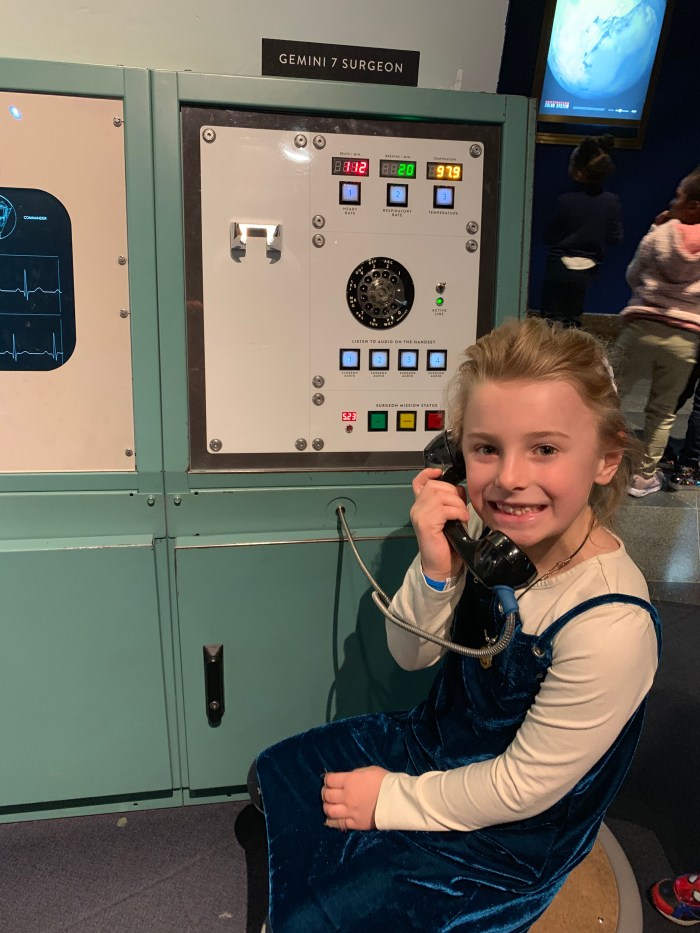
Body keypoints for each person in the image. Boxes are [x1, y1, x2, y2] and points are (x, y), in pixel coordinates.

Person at [253, 317, 660, 933]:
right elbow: (411, 655)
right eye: (486, 448)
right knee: (277, 774)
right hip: (436, 743)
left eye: (545, 449)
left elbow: (522, 787)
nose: (509, 478)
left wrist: (388, 800)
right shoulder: (482, 529)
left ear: (606, 458)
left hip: (513, 832)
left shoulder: (611, 624)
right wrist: (437, 565)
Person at [613, 166, 700, 497]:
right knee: (663, 412)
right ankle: (643, 477)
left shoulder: (659, 235)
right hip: (685, 339)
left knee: (608, 395)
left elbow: (632, 275)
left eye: (679, 196)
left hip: (642, 326)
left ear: (692, 207)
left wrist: (656, 228)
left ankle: (592, 462)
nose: (672, 201)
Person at [539, 134, 623, 327]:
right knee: (574, 318)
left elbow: (549, 236)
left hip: (558, 267)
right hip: (587, 271)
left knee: (550, 318)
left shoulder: (564, 201)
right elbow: (615, 237)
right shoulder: (611, 202)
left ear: (578, 172)